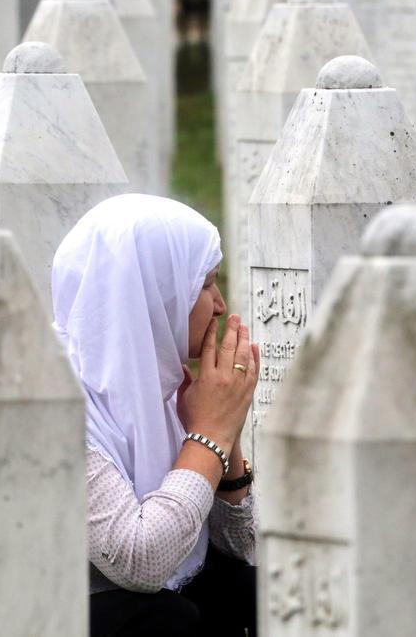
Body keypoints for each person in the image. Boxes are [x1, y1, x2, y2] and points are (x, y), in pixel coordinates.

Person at [52, 194, 259, 636]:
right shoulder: (56, 403)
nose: (220, 304)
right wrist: (210, 435)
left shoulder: (165, 386)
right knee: (164, 621)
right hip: (55, 615)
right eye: (205, 284)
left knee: (254, 591)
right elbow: (139, 561)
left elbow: (241, 551)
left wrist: (228, 432)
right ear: (151, 291)